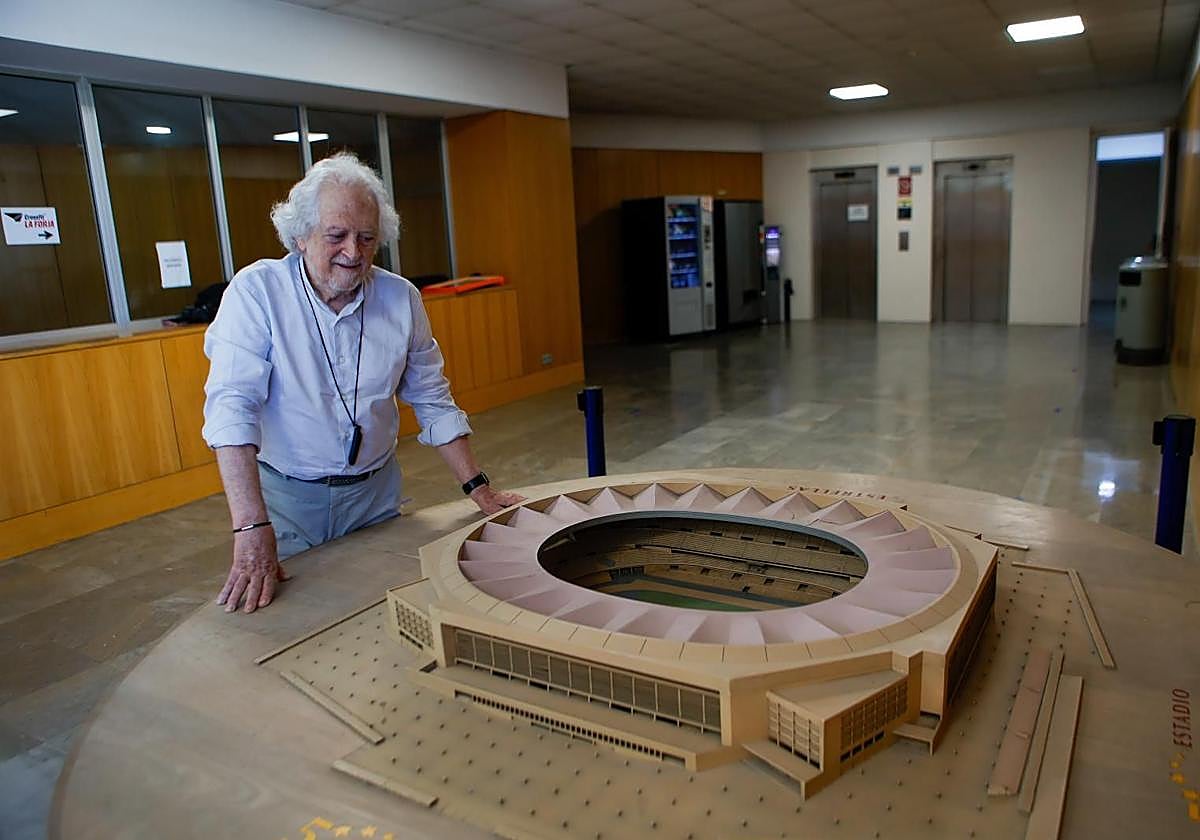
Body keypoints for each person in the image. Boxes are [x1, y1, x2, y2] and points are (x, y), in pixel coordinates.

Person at [201, 152, 523, 614]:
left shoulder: (400, 298)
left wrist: (478, 487)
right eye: (337, 236)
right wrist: (251, 527)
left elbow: (431, 396)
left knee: (382, 612)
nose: (353, 252)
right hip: (289, 500)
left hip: (375, 495)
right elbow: (232, 408)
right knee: (297, 622)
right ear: (299, 236)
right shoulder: (257, 293)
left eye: (367, 238)